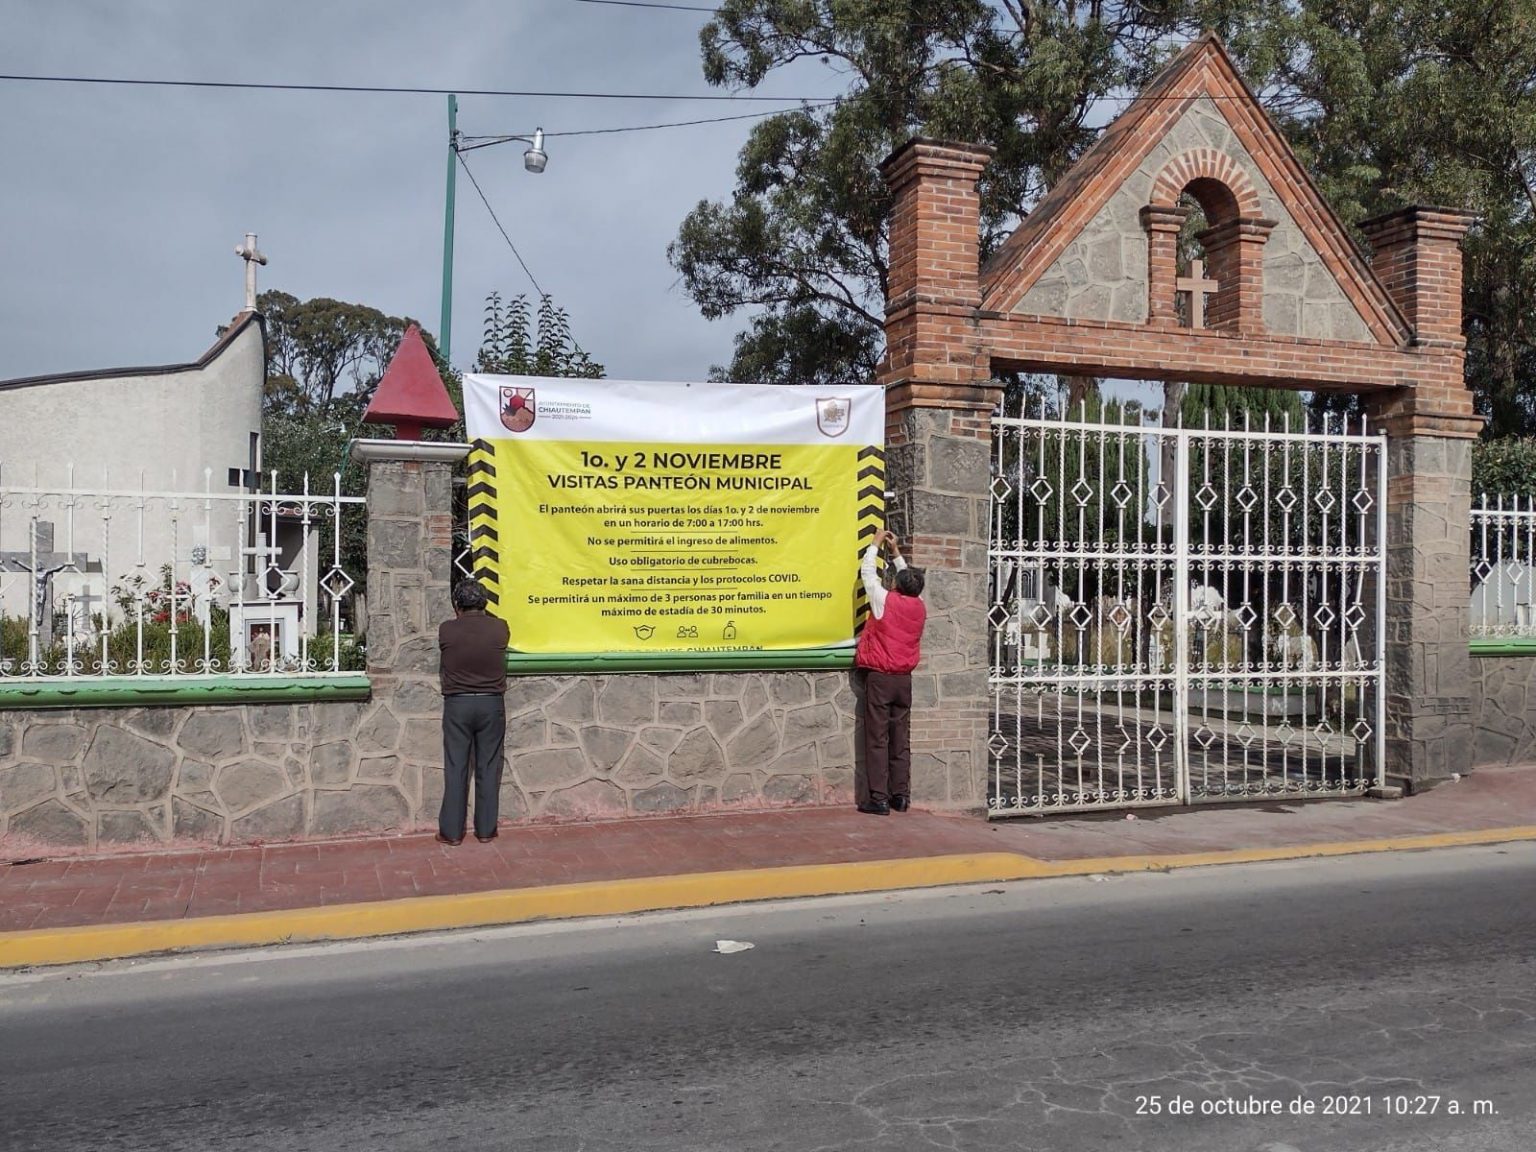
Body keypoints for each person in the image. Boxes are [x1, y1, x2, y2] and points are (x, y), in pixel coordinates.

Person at [854, 529, 927, 815]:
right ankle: (901, 796)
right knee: (900, 739)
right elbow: (910, 580)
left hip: (881, 678)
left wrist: (874, 544)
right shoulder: (919, 606)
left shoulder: (885, 601)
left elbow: (868, 573)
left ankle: (879, 799)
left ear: (898, 584)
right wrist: (896, 553)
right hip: (903, 681)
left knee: (877, 739)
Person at [437, 579, 510, 845]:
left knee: (456, 767)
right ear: (485, 603)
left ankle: (452, 833)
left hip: (458, 704)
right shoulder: (500, 628)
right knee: (488, 766)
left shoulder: (447, 630)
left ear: (457, 605)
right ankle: (486, 831)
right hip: (492, 703)